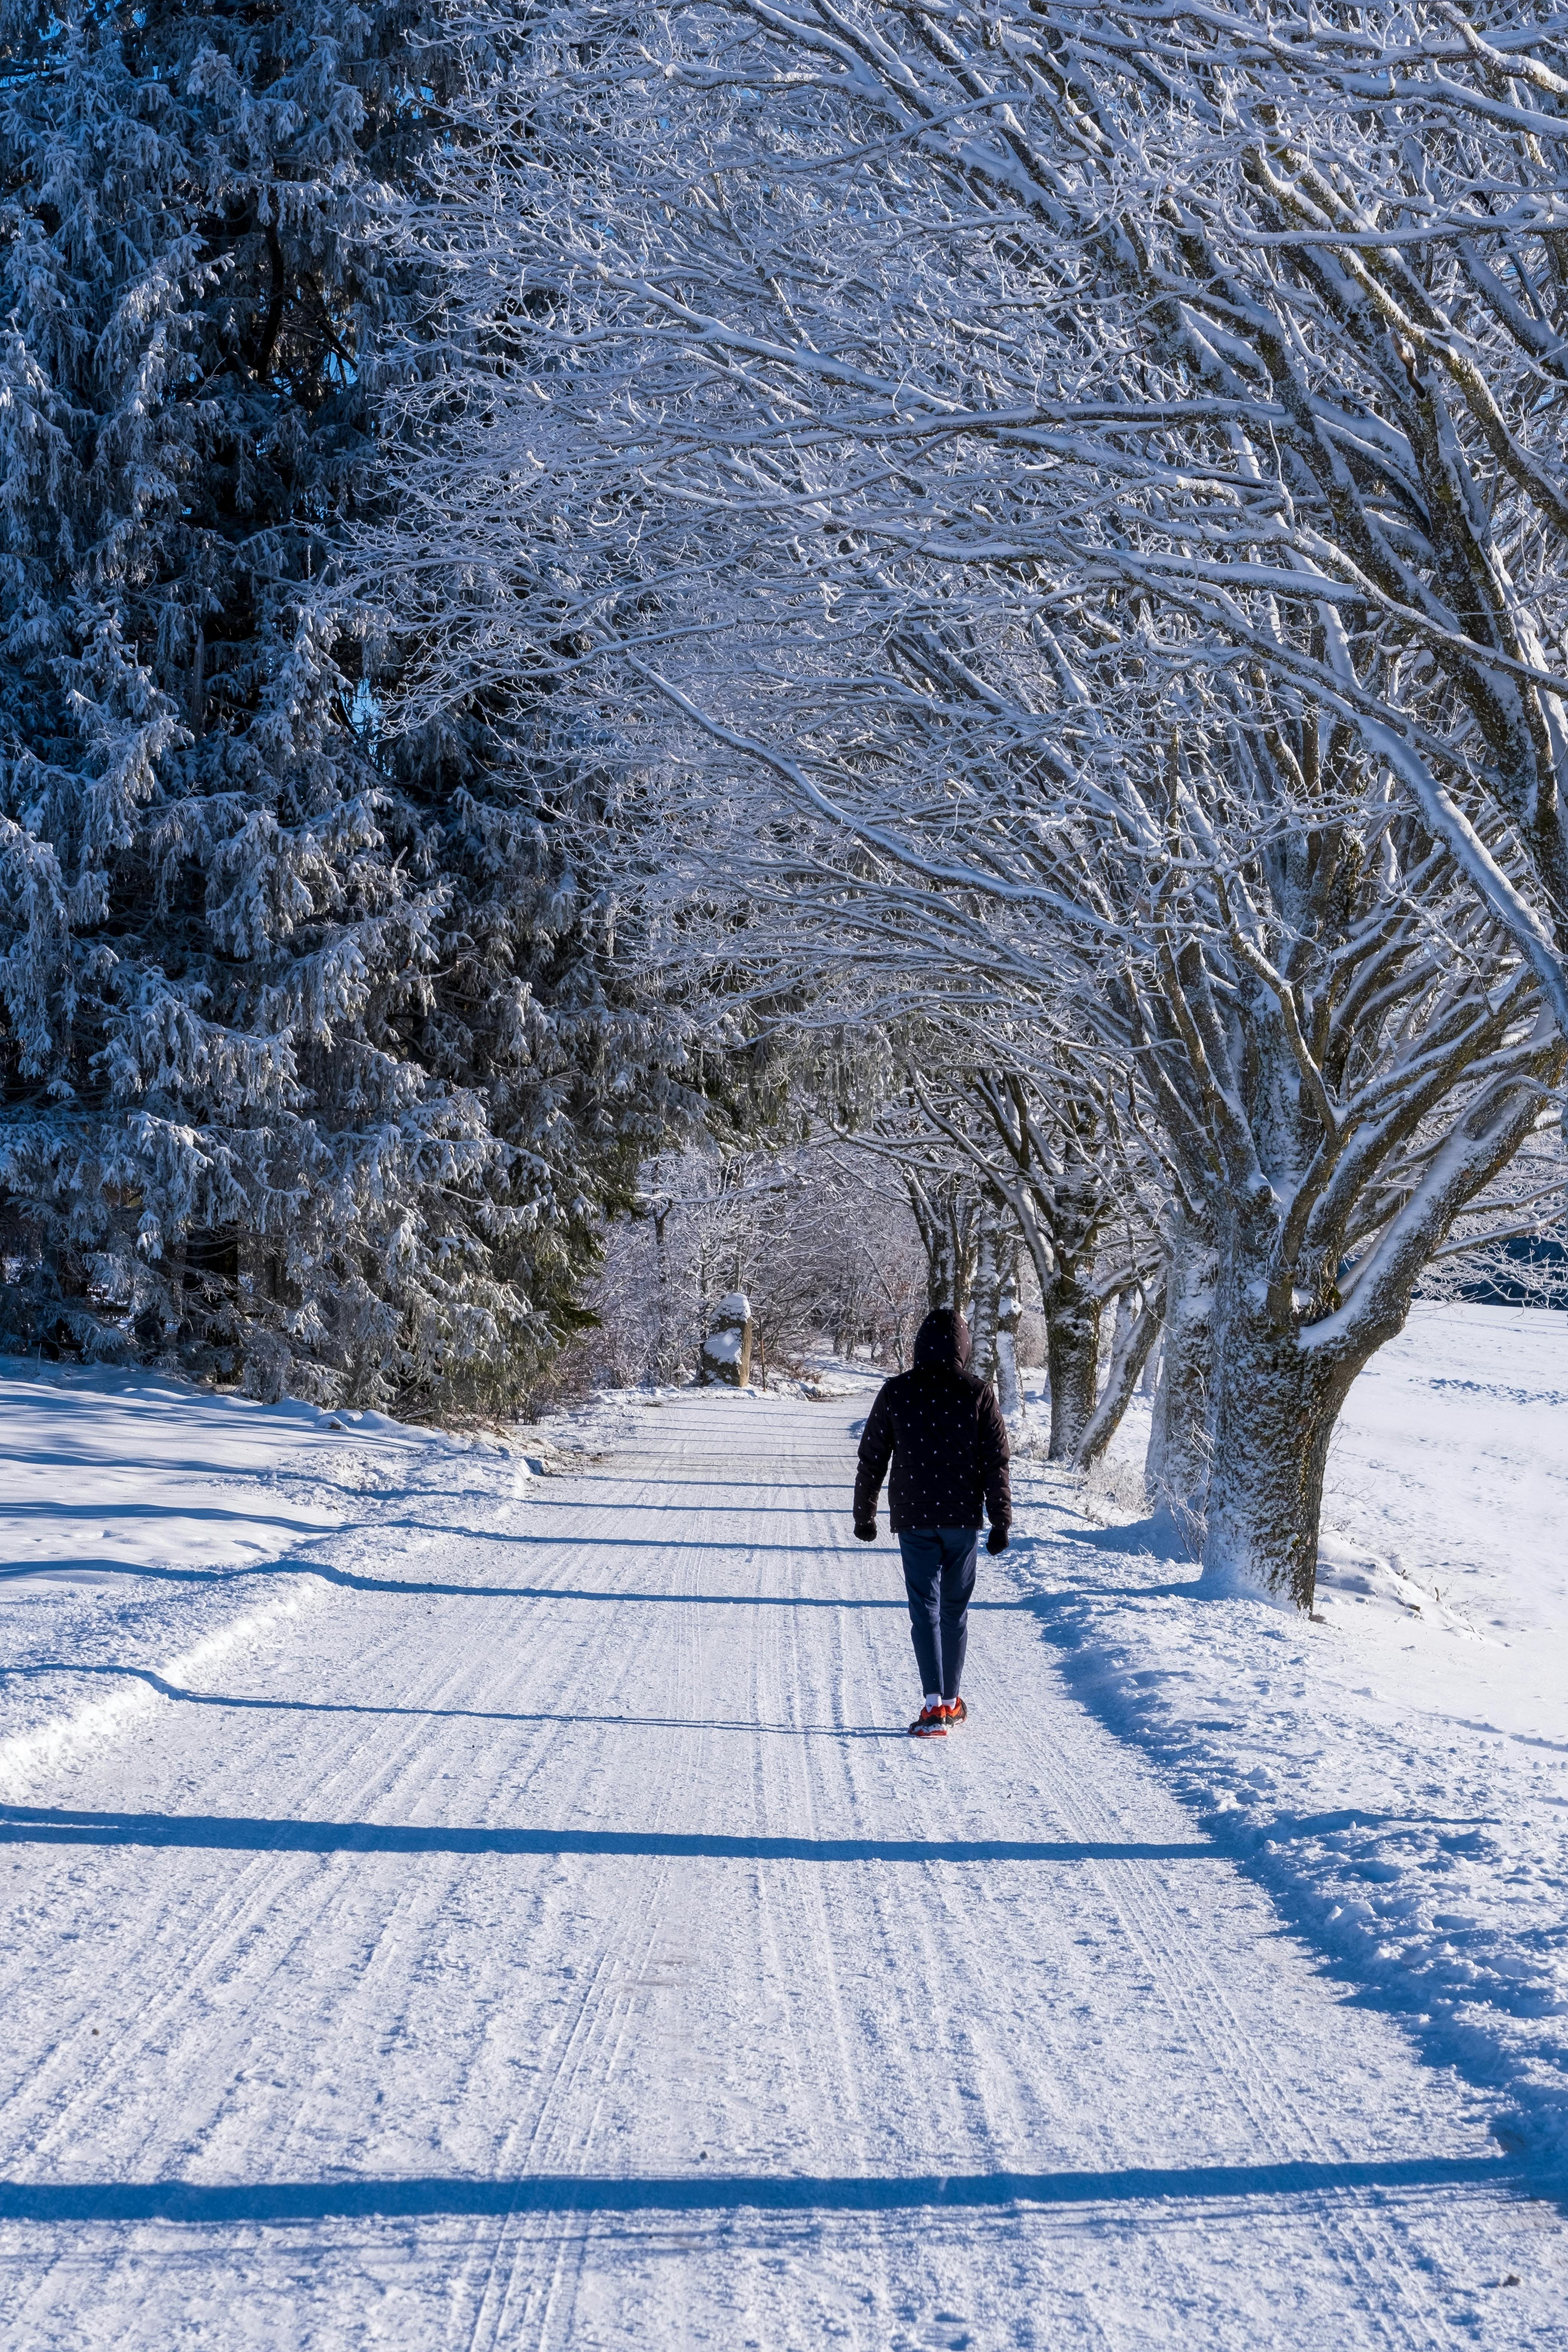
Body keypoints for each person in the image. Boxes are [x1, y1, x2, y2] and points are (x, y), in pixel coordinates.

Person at [852, 1306, 1012, 1738]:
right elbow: (996, 1461)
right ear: (963, 1346)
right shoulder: (977, 1392)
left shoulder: (896, 1391)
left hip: (915, 1517)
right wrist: (1000, 1522)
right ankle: (951, 1701)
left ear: (920, 1344)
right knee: (954, 1613)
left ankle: (932, 1707)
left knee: (924, 1610)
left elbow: (872, 1458)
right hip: (961, 1520)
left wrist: (864, 1514)